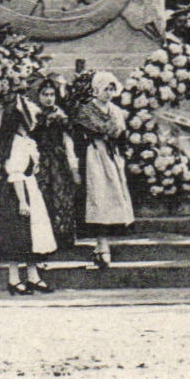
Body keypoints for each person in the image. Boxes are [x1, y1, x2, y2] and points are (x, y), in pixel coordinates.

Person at [0, 94, 57, 294]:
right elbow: (15, 172)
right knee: (18, 236)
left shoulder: (26, 140)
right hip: (17, 190)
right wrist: (22, 201)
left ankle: (33, 276)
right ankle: (14, 278)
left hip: (29, 187)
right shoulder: (16, 142)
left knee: (33, 236)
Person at [73, 71, 134, 269]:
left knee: (113, 198)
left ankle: (102, 246)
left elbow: (120, 134)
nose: (108, 93)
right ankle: (101, 244)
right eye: (104, 89)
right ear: (95, 90)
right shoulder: (86, 111)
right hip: (94, 157)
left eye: (111, 89)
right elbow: (82, 135)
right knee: (98, 197)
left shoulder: (115, 111)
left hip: (112, 157)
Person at [29, 78, 80, 250]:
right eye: (45, 95)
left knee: (61, 197)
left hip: (58, 163)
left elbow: (68, 144)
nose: (49, 98)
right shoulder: (33, 116)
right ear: (39, 96)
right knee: (42, 197)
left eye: (52, 95)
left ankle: (62, 239)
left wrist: (74, 168)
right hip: (40, 161)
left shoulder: (61, 117)